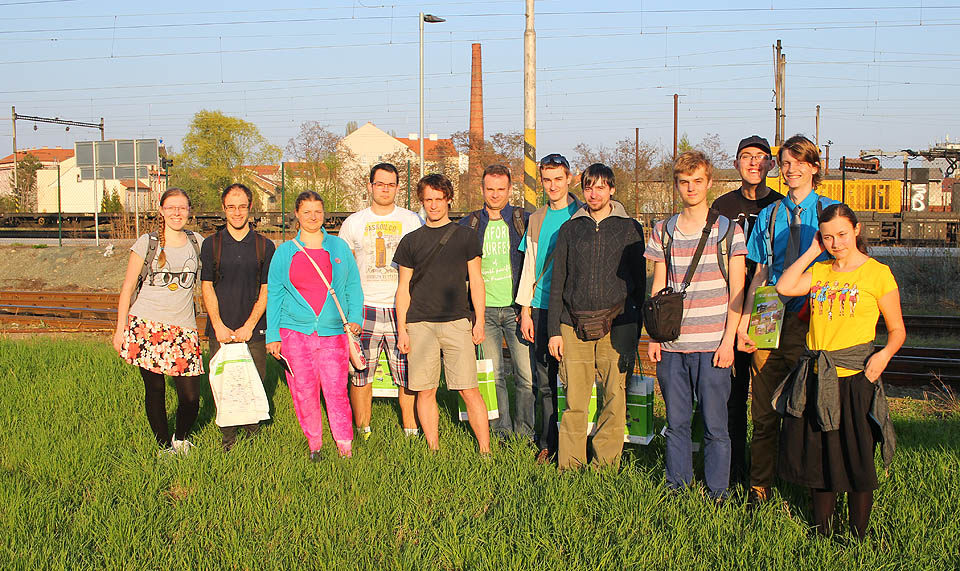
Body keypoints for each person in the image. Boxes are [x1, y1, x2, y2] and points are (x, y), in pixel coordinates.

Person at [773, 203, 903, 539]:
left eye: (842, 234)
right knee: (820, 457)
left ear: (857, 230)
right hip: (818, 378)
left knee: (857, 456)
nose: (836, 243)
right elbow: (784, 287)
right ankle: (822, 533)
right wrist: (811, 252)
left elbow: (897, 330)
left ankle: (858, 535)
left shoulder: (877, 273)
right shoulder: (820, 271)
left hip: (856, 378)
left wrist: (884, 355)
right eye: (828, 237)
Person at [738, 134, 839, 505]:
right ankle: (759, 487)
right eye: (785, 163)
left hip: (812, 318)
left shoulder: (831, 211)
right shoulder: (770, 215)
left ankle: (812, 486)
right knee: (763, 411)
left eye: (798, 162)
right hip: (770, 314)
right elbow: (761, 273)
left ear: (814, 167)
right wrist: (745, 321)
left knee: (810, 407)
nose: (790, 169)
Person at [646, 151, 747, 500]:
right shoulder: (663, 231)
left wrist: (728, 341)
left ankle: (718, 492)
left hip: (713, 345)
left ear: (709, 183)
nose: (691, 188)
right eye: (684, 182)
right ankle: (677, 488)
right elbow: (658, 287)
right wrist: (655, 337)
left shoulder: (728, 231)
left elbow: (737, 290)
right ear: (676, 185)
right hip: (672, 345)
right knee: (676, 424)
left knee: (716, 426)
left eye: (697, 181)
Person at [548, 163, 645, 470]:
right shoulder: (570, 229)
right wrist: (554, 331)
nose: (594, 194)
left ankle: (605, 466)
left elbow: (639, 284)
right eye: (589, 187)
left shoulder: (630, 229)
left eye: (601, 187)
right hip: (572, 325)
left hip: (616, 325)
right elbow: (558, 282)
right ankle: (570, 465)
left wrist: (634, 327)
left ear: (612, 190)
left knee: (614, 398)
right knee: (575, 401)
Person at [394, 173, 491, 453]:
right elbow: (403, 288)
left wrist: (479, 320)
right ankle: (433, 449)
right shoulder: (410, 241)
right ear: (422, 201)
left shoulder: (466, 237)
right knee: (425, 390)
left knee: (468, 389)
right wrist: (402, 329)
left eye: (439, 199)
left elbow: (477, 280)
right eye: (428, 200)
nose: (434, 205)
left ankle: (485, 451)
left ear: (449, 200)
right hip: (419, 324)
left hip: (457, 322)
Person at [266, 191, 363, 460]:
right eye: (307, 212)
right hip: (295, 333)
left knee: (337, 391)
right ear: (297, 215)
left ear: (324, 214)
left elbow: (353, 285)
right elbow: (275, 294)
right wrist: (273, 334)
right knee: (304, 392)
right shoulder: (285, 252)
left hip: (334, 333)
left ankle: (344, 445)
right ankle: (315, 445)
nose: (313, 217)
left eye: (318, 211)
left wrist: (355, 317)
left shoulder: (339, 248)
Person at [710, 135, 784, 487]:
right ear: (736, 163)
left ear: (771, 164)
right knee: (733, 397)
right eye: (746, 156)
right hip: (730, 305)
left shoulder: (780, 206)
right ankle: (734, 470)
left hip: (770, 306)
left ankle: (768, 473)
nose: (754, 162)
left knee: (769, 397)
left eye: (760, 156)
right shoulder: (722, 206)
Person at [113, 188, 205, 456]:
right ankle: (164, 447)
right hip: (147, 327)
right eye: (171, 207)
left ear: (189, 211)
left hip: (184, 329)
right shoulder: (148, 242)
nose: (177, 212)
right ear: (162, 211)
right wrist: (120, 330)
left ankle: (181, 438)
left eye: (182, 207)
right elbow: (128, 288)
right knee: (155, 390)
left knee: (191, 397)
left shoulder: (197, 242)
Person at [339, 163, 423, 441]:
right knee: (361, 371)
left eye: (390, 184)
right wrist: (348, 310)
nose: (385, 189)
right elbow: (343, 269)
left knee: (407, 372)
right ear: (370, 186)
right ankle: (363, 430)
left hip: (403, 307)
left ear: (398, 188)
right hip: (365, 307)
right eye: (379, 184)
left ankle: (410, 429)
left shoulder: (412, 220)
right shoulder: (354, 222)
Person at [459, 164, 535, 441]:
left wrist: (526, 308)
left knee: (526, 377)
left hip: (516, 309)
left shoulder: (523, 221)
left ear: (510, 189)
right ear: (482, 189)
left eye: (501, 189)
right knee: (494, 376)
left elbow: (534, 265)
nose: (495, 194)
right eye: (490, 189)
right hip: (485, 312)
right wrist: (470, 312)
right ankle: (501, 432)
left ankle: (525, 433)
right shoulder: (468, 225)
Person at [515, 153, 582, 461]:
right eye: (547, 180)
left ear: (570, 179)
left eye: (558, 179)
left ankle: (576, 443)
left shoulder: (582, 214)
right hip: (541, 307)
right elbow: (530, 265)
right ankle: (548, 443)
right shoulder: (537, 218)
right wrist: (525, 311)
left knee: (575, 380)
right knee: (544, 381)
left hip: (573, 310)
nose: (553, 186)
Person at [199, 183, 275, 451]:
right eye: (231, 207)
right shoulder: (212, 244)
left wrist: (250, 325)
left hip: (253, 330)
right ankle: (227, 438)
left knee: (254, 382)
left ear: (250, 207)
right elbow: (207, 286)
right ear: (223, 209)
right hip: (221, 329)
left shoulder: (265, 246)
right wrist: (218, 325)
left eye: (242, 206)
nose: (237, 212)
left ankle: (253, 438)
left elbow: (267, 289)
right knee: (224, 384)